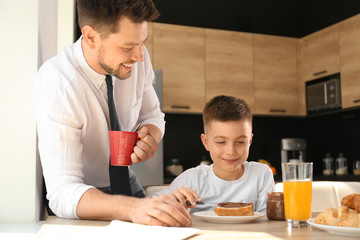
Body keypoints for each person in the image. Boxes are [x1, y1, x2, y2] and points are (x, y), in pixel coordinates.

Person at [34, 0, 191, 227]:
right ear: (90, 37)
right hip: (86, 198)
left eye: (142, 43)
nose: (139, 56)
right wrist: (133, 208)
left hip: (127, 182)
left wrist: (149, 135)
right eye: (128, 47)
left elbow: (153, 116)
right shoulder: (59, 83)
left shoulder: (138, 58)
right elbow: (62, 192)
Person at [152, 95, 275, 213]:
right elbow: (148, 205)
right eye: (221, 142)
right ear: (206, 142)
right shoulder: (193, 178)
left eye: (241, 142)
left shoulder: (261, 174)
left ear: (250, 141)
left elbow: (267, 221)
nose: (231, 151)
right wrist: (170, 200)